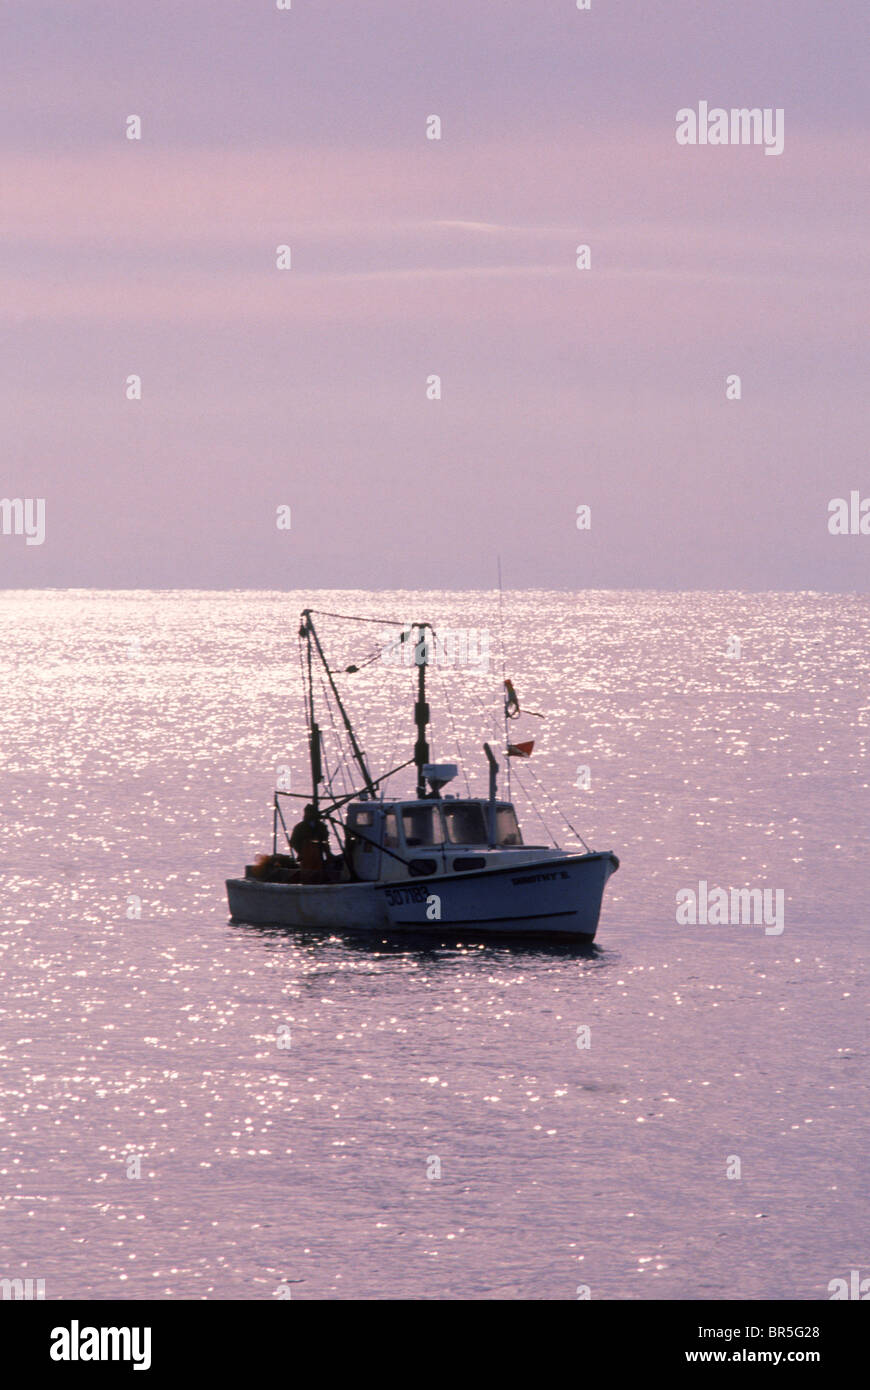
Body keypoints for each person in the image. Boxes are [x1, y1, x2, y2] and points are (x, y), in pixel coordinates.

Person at [289, 804, 329, 883]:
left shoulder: (322, 826)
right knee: (307, 876)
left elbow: (325, 842)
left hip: (319, 857)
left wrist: (328, 854)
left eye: (311, 812)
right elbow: (293, 842)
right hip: (306, 858)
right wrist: (301, 852)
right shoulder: (299, 827)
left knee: (318, 875)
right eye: (307, 813)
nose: (309, 814)